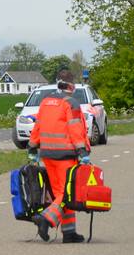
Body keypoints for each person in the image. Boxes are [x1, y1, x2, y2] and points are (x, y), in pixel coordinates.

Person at [27, 69, 90, 244]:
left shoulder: (46, 102)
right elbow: (75, 129)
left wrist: (32, 147)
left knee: (59, 194)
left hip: (47, 154)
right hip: (66, 155)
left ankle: (69, 233)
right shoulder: (71, 103)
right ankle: (46, 219)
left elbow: (38, 126)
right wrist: (82, 152)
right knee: (68, 194)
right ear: (71, 85)